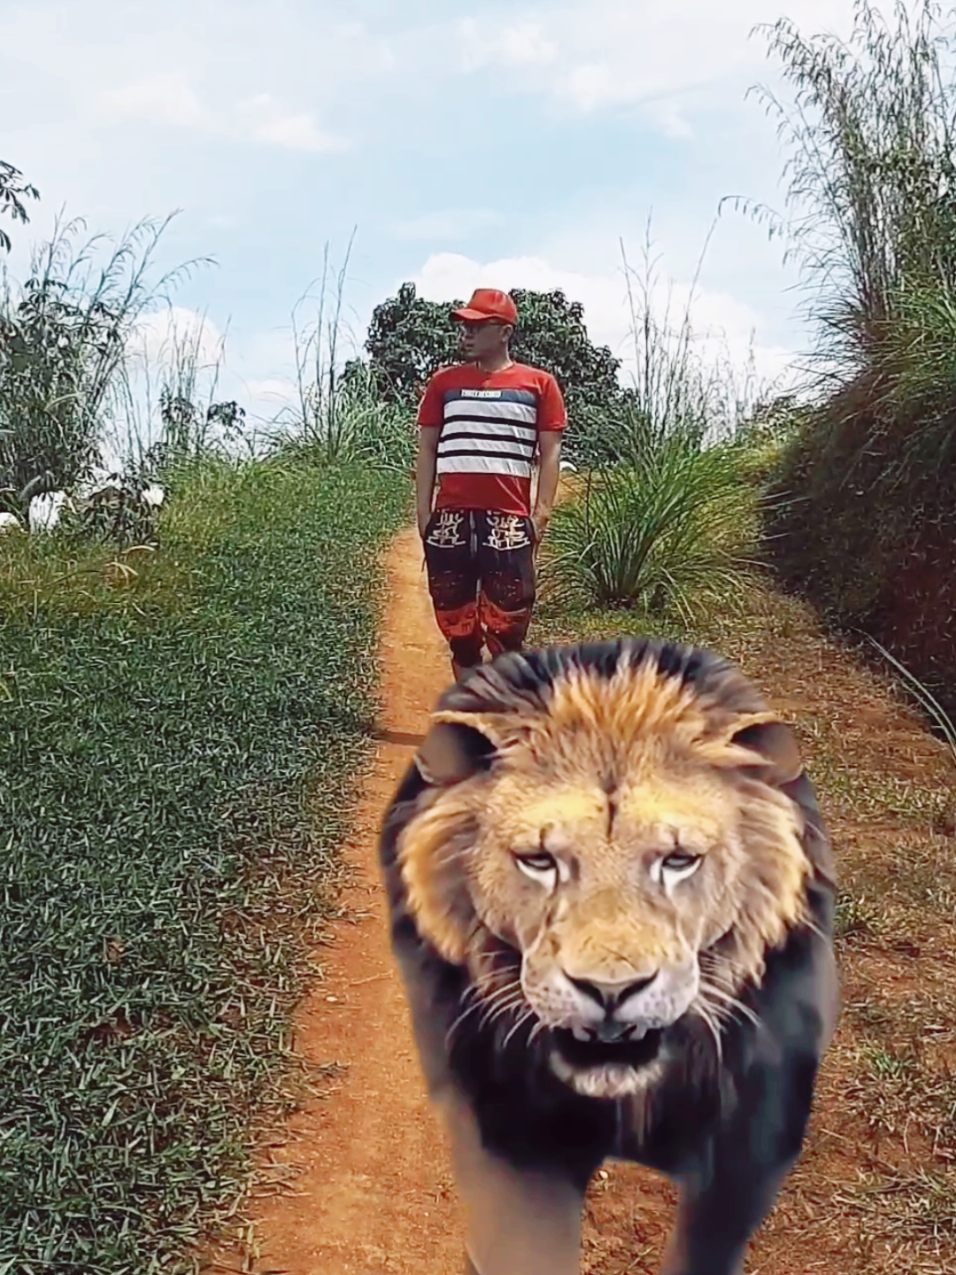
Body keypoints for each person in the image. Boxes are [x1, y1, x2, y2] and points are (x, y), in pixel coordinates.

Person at [415, 287, 567, 682]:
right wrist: (425, 513)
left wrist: (540, 515)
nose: (466, 334)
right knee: (459, 631)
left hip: (509, 523)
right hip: (451, 522)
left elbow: (550, 453)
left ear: (504, 332)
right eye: (463, 326)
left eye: (477, 326)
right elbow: (427, 448)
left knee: (507, 632)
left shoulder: (538, 385)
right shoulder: (443, 383)